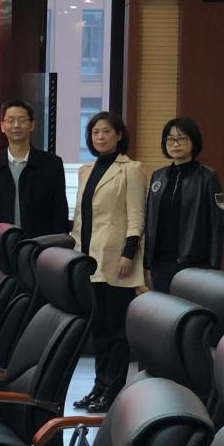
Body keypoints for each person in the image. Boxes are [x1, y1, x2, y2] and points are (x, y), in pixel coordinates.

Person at [71, 111, 145, 413]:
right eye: (95, 132)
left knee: (116, 330)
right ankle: (98, 387)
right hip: (89, 259)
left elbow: (136, 216)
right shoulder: (86, 170)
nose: (100, 137)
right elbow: (81, 217)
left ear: (119, 135)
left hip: (116, 260)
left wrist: (129, 253)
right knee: (99, 330)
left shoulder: (131, 169)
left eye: (106, 131)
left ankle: (112, 391)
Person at [144, 117, 224, 293]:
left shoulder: (208, 177)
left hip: (194, 263)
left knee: (189, 309)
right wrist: (147, 263)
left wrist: (214, 266)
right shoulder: (158, 176)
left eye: (181, 138)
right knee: (162, 308)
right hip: (160, 263)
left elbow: (217, 226)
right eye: (170, 139)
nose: (175, 144)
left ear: (193, 141)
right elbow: (149, 220)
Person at [0, 99, 69, 243]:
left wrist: (58, 246)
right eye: (10, 120)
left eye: (21, 120)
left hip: (40, 248)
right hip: (1, 246)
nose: (16, 125)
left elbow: (60, 211)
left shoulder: (52, 164)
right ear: (2, 126)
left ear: (32, 125)